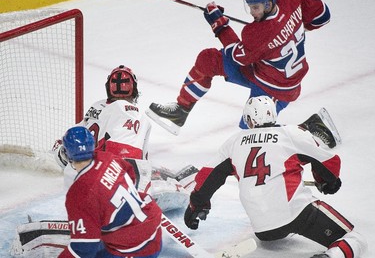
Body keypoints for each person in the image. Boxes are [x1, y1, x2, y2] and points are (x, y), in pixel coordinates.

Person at [146, 0, 338, 148]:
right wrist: (292, 26)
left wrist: (219, 24)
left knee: (249, 140)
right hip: (260, 69)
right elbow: (323, 15)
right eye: (250, 7)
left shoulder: (258, 34)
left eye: (256, 8)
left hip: (278, 88)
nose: (252, 12)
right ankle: (180, 111)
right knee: (208, 60)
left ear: (269, 3)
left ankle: (310, 128)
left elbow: (237, 55)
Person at [183, 96, 367, 258]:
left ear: (249, 119)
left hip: (263, 229)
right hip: (298, 214)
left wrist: (196, 205)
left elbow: (208, 176)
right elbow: (330, 163)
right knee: (354, 239)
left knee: (275, 219)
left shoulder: (234, 142)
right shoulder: (291, 134)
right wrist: (327, 182)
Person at [52, 65, 197, 211]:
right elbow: (124, 155)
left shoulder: (97, 106)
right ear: (134, 89)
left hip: (82, 173)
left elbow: (66, 146)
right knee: (190, 175)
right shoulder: (131, 111)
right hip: (109, 182)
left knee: (164, 169)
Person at [58, 126, 162, 258]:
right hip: (153, 225)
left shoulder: (79, 194)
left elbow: (84, 249)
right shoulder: (107, 158)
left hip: (136, 249)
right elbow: (131, 173)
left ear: (67, 153)